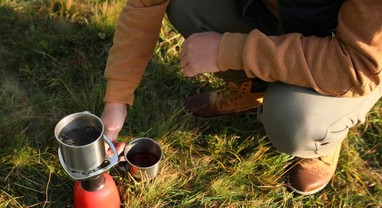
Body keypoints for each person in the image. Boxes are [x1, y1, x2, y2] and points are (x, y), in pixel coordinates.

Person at [101, 0, 382, 195]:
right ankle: (255, 88)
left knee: (296, 119)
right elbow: (147, 4)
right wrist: (116, 99)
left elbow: (356, 67)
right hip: (280, 17)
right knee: (187, 6)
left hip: (352, 54)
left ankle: (324, 134)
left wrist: (232, 51)